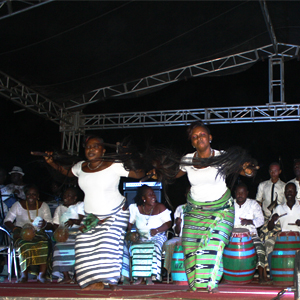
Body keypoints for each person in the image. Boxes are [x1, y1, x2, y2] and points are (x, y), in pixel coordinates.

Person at [44, 135, 145, 291]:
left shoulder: (114, 165)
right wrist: (51, 162)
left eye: (95, 146)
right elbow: (67, 172)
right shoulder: (81, 166)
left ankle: (107, 282)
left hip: (115, 213)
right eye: (88, 147)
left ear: (103, 149)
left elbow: (138, 174)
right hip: (91, 216)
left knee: (107, 246)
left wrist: (128, 156)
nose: (91, 149)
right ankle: (92, 281)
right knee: (82, 246)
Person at [174, 121, 256, 293]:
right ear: (192, 142)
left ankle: (207, 285)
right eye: (195, 137)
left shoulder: (221, 157)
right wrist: (158, 171)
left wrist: (249, 170)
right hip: (195, 211)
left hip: (221, 210)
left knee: (212, 245)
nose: (199, 138)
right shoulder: (187, 160)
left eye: (202, 134)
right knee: (189, 246)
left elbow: (244, 170)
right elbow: (173, 173)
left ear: (210, 137)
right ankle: (196, 286)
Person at [4, 184, 53, 283]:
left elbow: (50, 225)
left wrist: (45, 224)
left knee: (45, 244)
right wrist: (15, 229)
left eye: (34, 194)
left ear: (38, 196)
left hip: (38, 233)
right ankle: (24, 275)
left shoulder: (43, 206)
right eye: (29, 194)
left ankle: (41, 275)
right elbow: (7, 221)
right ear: (25, 195)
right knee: (25, 245)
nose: (31, 196)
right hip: (21, 233)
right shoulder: (18, 205)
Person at [126, 185, 171, 285]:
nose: (153, 196)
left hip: (158, 236)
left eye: (153, 194)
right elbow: (129, 224)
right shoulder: (135, 208)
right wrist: (131, 234)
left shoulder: (160, 207)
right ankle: (140, 277)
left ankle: (150, 277)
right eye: (150, 195)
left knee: (153, 247)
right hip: (141, 236)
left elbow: (168, 224)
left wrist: (157, 230)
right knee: (136, 247)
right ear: (143, 198)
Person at [233, 182, 269, 284]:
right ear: (235, 193)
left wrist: (250, 221)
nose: (240, 195)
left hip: (250, 235)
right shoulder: (230, 204)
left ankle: (261, 276)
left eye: (242, 193)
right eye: (238, 193)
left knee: (260, 249)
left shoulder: (253, 204)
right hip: (233, 236)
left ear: (247, 193)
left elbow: (261, 220)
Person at [52, 187, 85, 284]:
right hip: (64, 233)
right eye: (65, 195)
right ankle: (66, 276)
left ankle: (76, 275)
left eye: (69, 195)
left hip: (77, 232)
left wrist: (74, 221)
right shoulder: (59, 208)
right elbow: (55, 224)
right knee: (58, 246)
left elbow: (83, 221)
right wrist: (59, 232)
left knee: (79, 246)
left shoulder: (80, 205)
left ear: (75, 198)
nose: (66, 197)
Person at [266, 182, 300, 272]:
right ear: (284, 193)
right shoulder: (279, 208)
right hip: (284, 237)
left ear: (296, 193)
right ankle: (274, 276)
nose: (289, 193)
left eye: (291, 191)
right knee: (268, 245)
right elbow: (269, 228)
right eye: (287, 191)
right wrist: (273, 220)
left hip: (298, 236)